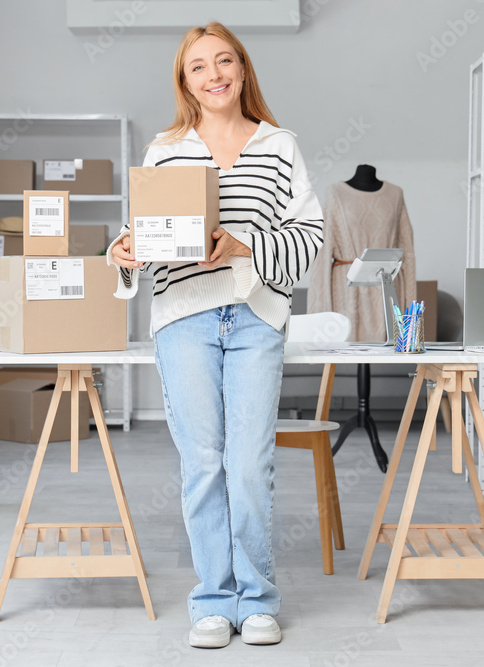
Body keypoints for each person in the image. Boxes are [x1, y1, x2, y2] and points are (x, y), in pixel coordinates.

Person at [107, 21, 324, 649]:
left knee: (249, 463)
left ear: (243, 69)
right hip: (183, 318)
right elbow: (142, 238)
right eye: (199, 66)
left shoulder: (279, 146)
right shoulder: (165, 148)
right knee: (202, 463)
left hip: (254, 316)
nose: (214, 75)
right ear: (186, 81)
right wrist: (124, 252)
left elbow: (309, 239)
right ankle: (211, 600)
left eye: (224, 61)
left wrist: (242, 245)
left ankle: (256, 600)